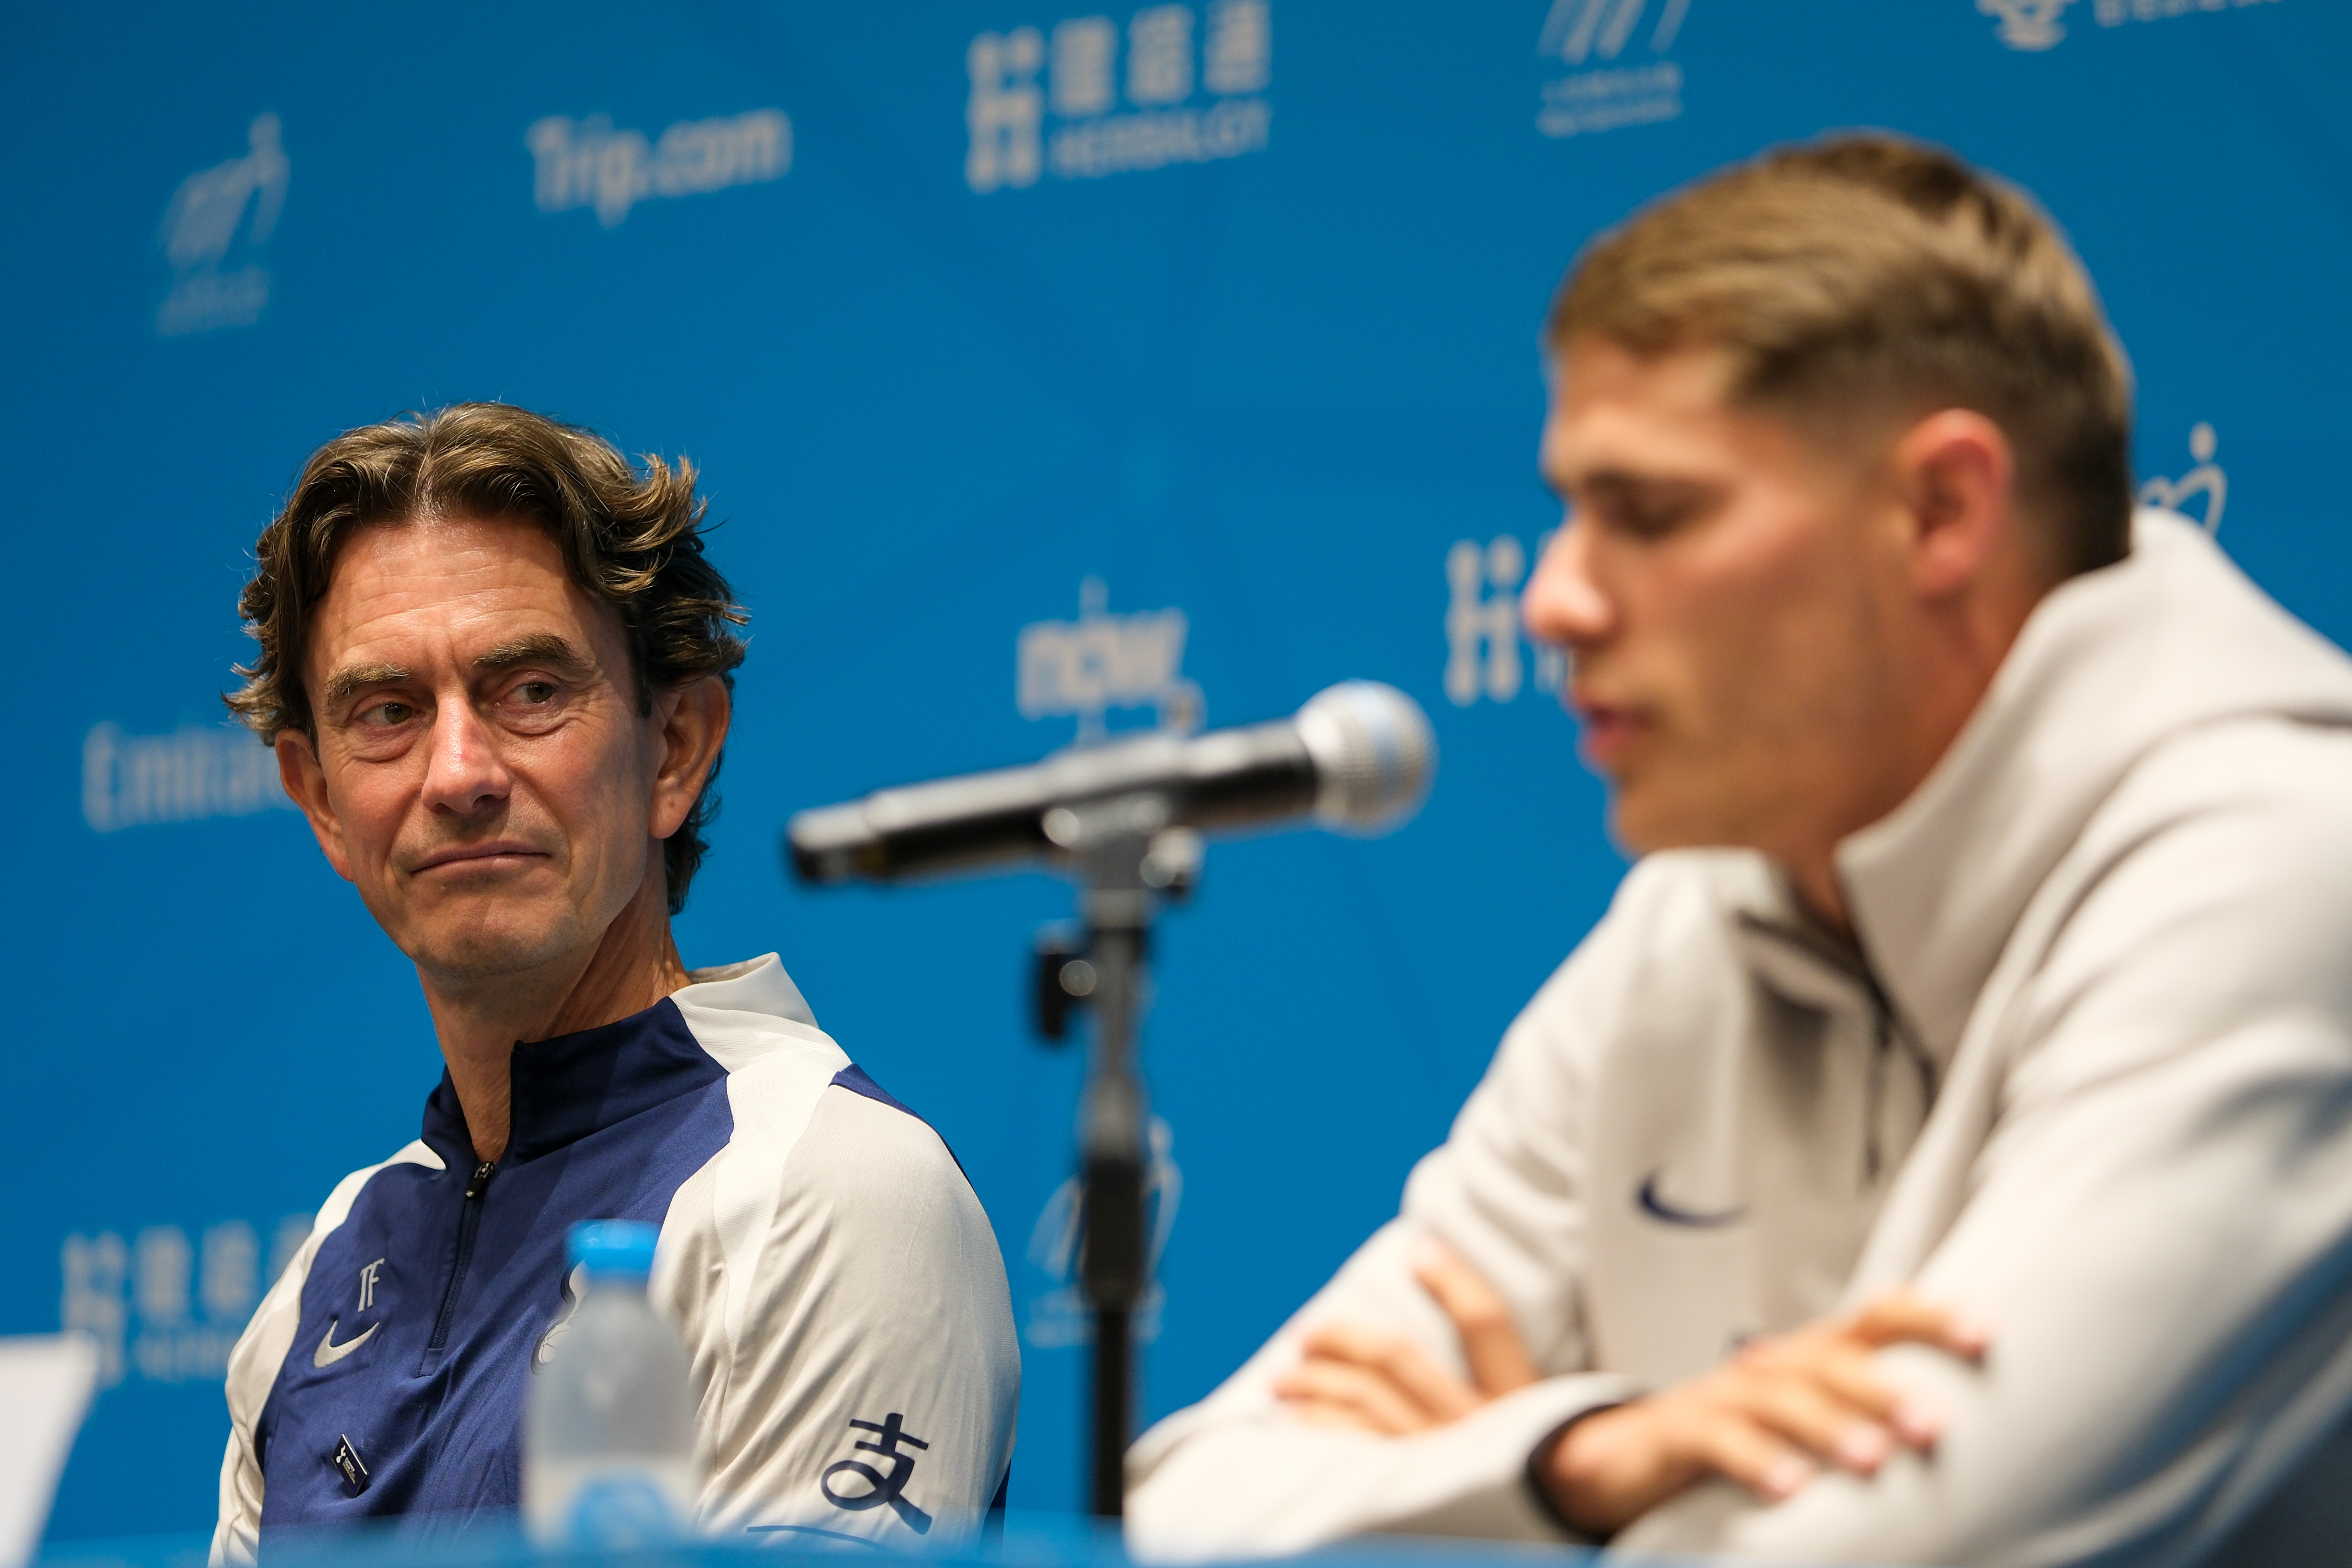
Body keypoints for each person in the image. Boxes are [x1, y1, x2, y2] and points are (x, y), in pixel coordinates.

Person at [1126, 135, 2352, 1564]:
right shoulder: (1698, 912)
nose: (1552, 601)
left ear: (1940, 509)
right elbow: (1179, 1514)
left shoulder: (2286, 864)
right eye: (1566, 510)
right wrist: (1576, 1459)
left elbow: (1907, 1551)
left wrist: (1481, 1504)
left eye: (1648, 514)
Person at [208, 405, 1019, 1561]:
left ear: (674, 747)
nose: (459, 774)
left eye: (530, 691)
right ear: (322, 798)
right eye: (388, 714)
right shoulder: (329, 1265)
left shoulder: (829, 1189)